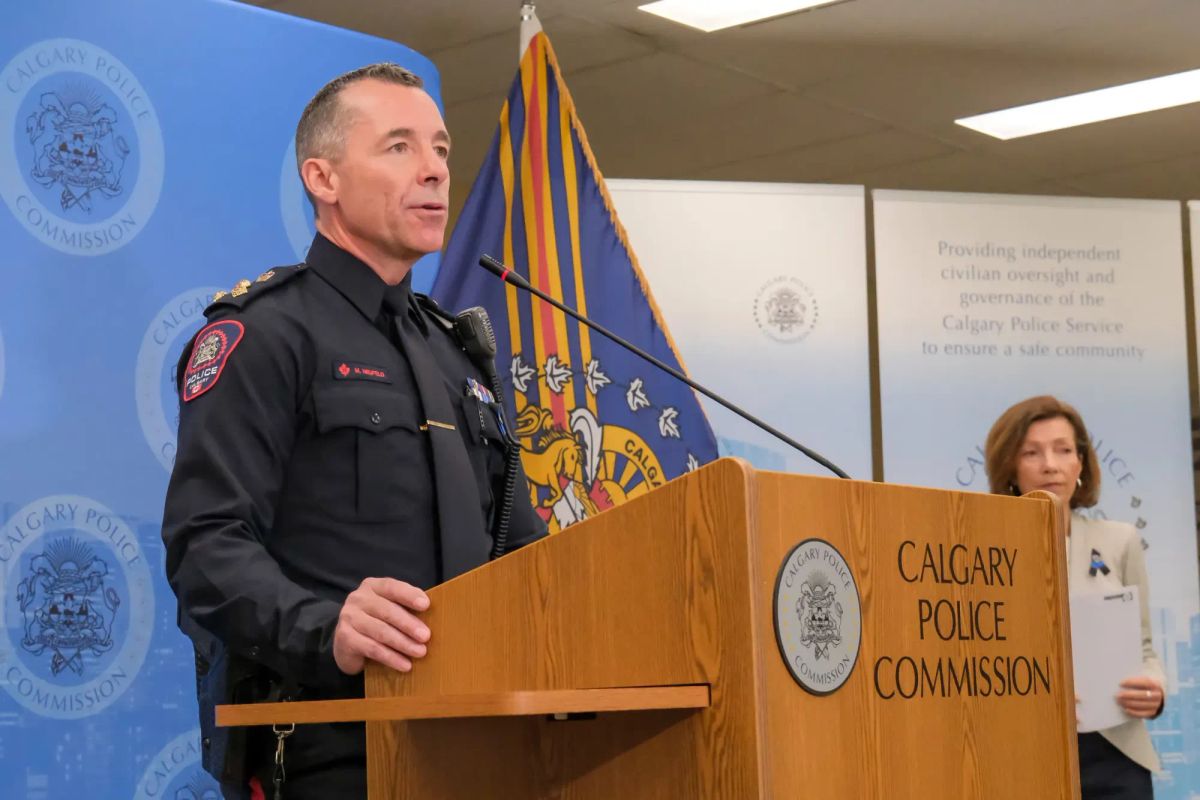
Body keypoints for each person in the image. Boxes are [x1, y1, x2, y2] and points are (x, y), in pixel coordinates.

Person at [161, 63, 547, 799]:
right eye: (399, 147)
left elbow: (519, 549)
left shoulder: (456, 351)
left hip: (485, 740)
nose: (435, 170)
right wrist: (325, 627)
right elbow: (205, 544)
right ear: (323, 178)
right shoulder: (266, 334)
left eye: (440, 147)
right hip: (327, 749)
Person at [984, 395, 1163, 799]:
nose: (1050, 464)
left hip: (1115, 752)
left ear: (1080, 463)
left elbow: (1146, 648)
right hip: (1023, 753)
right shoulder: (982, 548)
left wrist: (1155, 688)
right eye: (1032, 452)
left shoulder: (1120, 541)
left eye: (1064, 450)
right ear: (1009, 465)